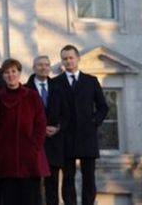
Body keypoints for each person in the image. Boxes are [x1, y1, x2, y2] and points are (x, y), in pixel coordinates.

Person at [0, 59, 49, 205]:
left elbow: (41, 123)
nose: (11, 75)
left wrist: (34, 146)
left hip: (29, 158)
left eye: (13, 71)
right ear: (3, 75)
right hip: (5, 158)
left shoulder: (32, 96)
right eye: (7, 72)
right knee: (8, 198)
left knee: (31, 198)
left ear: (19, 73)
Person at [57, 45, 108, 205]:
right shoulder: (56, 82)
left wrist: (94, 122)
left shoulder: (91, 81)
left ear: (78, 59)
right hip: (66, 136)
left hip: (87, 136)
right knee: (68, 177)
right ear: (62, 61)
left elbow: (103, 107)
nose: (68, 61)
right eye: (65, 58)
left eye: (71, 57)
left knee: (89, 177)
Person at [26, 56, 70, 205]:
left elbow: (67, 114)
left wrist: (58, 127)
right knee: (33, 186)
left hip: (54, 142)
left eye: (46, 65)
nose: (43, 68)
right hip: (34, 143)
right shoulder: (26, 89)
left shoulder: (59, 89)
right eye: (40, 65)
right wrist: (39, 129)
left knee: (52, 185)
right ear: (33, 67)